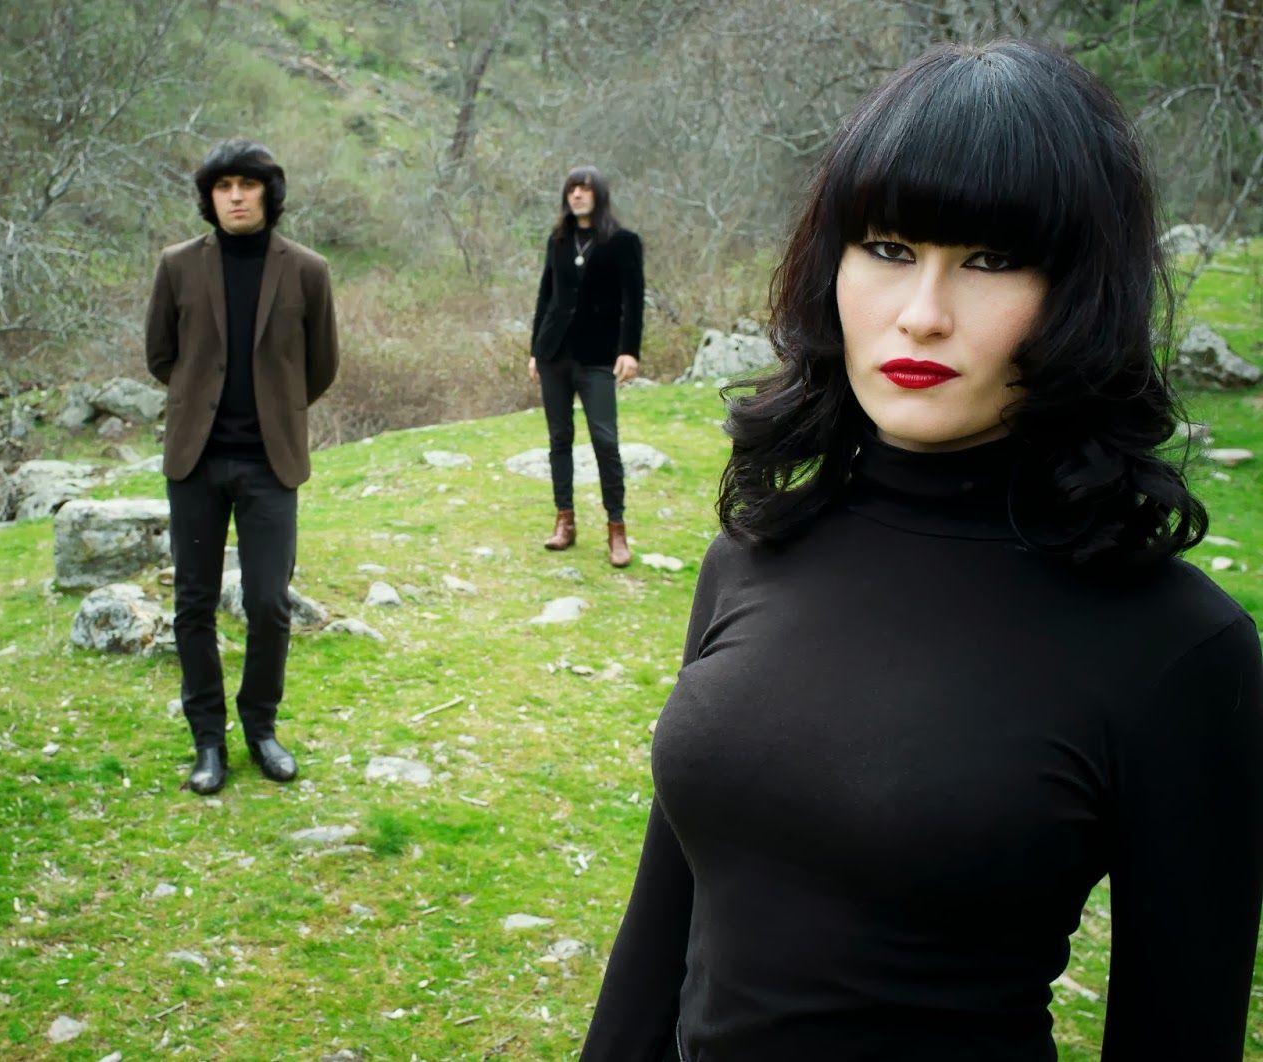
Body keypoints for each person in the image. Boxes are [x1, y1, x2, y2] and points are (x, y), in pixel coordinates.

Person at [581, 40, 1263, 1061]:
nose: (922, 315)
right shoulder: (758, 550)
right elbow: (666, 914)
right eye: (890, 247)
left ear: (1082, 295)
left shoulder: (1178, 647)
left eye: (991, 261)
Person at [145, 138, 338, 796]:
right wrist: (199, 399)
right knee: (193, 604)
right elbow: (161, 355)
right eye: (223, 186)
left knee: (268, 602)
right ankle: (208, 740)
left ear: (267, 193)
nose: (235, 197)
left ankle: (261, 729)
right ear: (210, 197)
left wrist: (276, 409)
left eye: (247, 185)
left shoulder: (307, 271)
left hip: (270, 464)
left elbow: (321, 364)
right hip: (195, 462)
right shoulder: (177, 265)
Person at [529, 166, 644, 567]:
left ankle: (616, 528)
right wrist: (534, 351)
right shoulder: (558, 240)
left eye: (585, 188)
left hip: (597, 357)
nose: (577, 194)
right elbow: (545, 295)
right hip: (554, 355)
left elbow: (633, 300)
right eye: (571, 189)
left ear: (599, 195)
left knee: (605, 441)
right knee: (559, 439)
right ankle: (565, 521)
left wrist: (629, 351)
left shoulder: (623, 242)